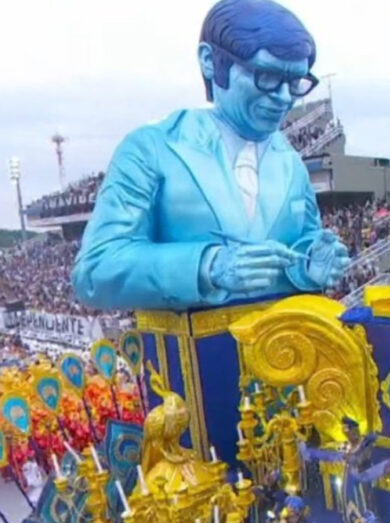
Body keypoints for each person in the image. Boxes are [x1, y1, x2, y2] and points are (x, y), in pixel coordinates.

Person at [71, 0, 349, 311]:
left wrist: (309, 266)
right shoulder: (151, 148)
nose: (284, 97)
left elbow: (302, 243)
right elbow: (94, 271)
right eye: (266, 76)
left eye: (295, 81)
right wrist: (206, 266)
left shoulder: (290, 160)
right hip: (188, 357)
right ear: (209, 61)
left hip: (285, 350)